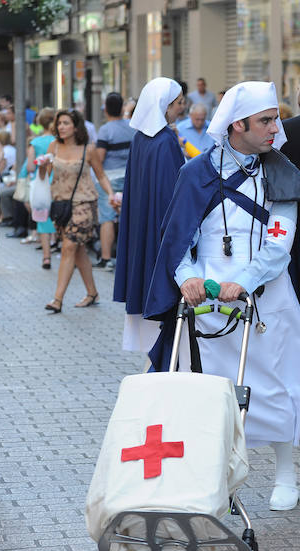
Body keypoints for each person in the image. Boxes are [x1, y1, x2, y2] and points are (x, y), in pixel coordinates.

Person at [144, 81, 300, 511]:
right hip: (206, 304)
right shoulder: (194, 173)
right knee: (210, 392)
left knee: (277, 386)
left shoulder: (283, 170)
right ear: (238, 124)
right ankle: (216, 478)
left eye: (274, 119)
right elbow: (177, 240)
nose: (276, 128)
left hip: (268, 296)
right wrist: (188, 278)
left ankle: (286, 475)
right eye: (266, 120)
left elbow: (280, 242)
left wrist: (245, 281)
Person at [113, 77, 186, 353]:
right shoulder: (165, 140)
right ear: (165, 106)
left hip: (144, 227)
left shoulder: (141, 139)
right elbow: (172, 196)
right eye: (179, 103)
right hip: (159, 231)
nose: (182, 108)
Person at [38, 110, 116, 313]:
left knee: (68, 247)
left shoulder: (88, 149)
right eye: (59, 123)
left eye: (65, 123)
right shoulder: (53, 146)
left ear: (76, 127)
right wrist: (42, 165)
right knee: (78, 250)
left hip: (84, 204)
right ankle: (92, 293)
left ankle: (57, 299)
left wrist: (110, 194)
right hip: (61, 206)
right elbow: (46, 176)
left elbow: (101, 176)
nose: (61, 127)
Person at [93, 92, 135, 271]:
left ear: (106, 109)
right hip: (129, 177)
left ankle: (106, 257)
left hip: (109, 179)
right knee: (128, 216)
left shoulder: (105, 130)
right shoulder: (132, 126)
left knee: (107, 217)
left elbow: (100, 157)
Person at [24, 108, 57, 269]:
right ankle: (64, 252)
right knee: (60, 217)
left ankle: (46, 257)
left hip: (41, 183)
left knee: (43, 219)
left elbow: (30, 167)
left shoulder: (35, 143)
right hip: (58, 182)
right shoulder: (59, 141)